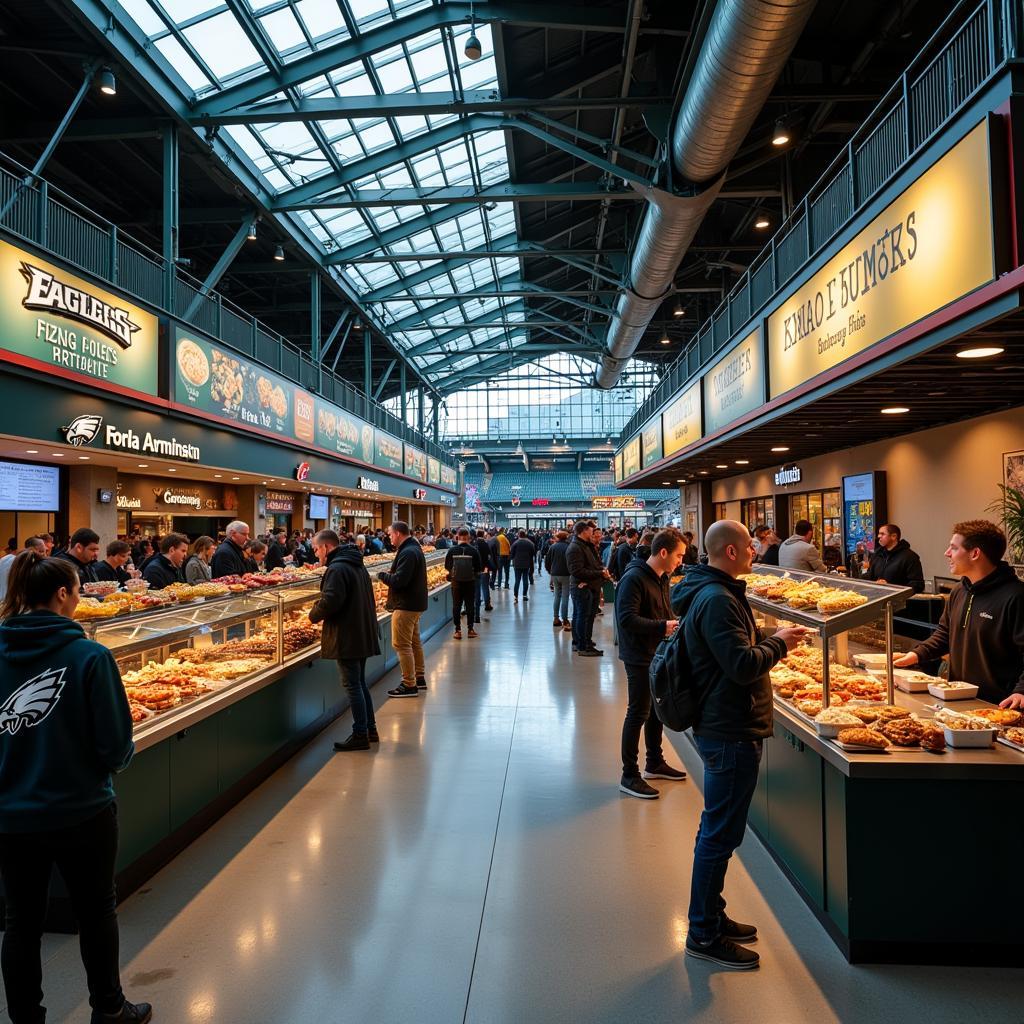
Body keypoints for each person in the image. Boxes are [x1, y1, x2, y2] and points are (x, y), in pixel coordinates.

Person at [0, 551, 151, 1023]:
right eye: (79, 590)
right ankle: (108, 1009)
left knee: (19, 922)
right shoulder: (89, 655)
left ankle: (25, 1018)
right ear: (64, 594)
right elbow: (114, 744)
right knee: (96, 910)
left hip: (9, 813)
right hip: (82, 809)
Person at [674, 521, 810, 970]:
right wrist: (779, 642)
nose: (756, 549)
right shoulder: (717, 600)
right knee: (718, 835)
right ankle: (703, 933)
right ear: (731, 553)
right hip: (729, 729)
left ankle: (711, 913)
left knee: (720, 832)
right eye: (749, 545)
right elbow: (740, 664)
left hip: (724, 724)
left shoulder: (713, 592)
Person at [895, 520, 1024, 707]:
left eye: (954, 548)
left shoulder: (1016, 596)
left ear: (975, 553)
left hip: (999, 706)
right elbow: (945, 634)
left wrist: (1021, 690)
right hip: (960, 699)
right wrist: (915, 655)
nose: (947, 553)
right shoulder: (959, 591)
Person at [615, 529, 688, 799]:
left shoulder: (662, 577)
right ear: (663, 552)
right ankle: (629, 774)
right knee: (638, 712)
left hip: (656, 652)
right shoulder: (634, 578)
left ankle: (654, 761)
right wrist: (663, 626)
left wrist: (671, 621)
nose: (681, 560)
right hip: (638, 656)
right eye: (678, 555)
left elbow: (664, 610)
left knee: (656, 710)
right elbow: (627, 619)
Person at [308, 530, 382, 752]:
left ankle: (360, 734)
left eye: (316, 549)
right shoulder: (356, 563)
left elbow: (331, 600)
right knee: (359, 683)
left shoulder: (337, 568)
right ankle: (370, 729)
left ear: (327, 547)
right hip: (361, 631)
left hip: (347, 635)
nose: (315, 553)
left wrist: (312, 615)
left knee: (352, 686)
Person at [377, 522, 428, 698]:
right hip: (415, 603)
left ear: (398, 533)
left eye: (390, 534)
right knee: (414, 642)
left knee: (401, 645)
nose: (389, 537)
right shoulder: (414, 548)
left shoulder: (407, 552)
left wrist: (382, 575)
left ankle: (409, 684)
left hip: (406, 605)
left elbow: (400, 580)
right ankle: (419, 677)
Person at [567, 520, 610, 656]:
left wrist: (602, 571)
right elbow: (577, 571)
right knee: (583, 616)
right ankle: (583, 646)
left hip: (590, 586)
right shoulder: (575, 548)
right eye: (591, 531)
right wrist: (600, 573)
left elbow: (594, 564)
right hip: (583, 587)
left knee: (584, 616)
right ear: (584, 531)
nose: (594, 534)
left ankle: (583, 641)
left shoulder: (586, 546)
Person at [866, 524, 925, 593]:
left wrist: (891, 587)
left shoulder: (910, 556)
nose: (879, 536)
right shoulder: (877, 554)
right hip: (876, 597)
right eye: (879, 534)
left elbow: (917, 585)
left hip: (899, 601)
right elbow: (870, 575)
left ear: (893, 536)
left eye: (882, 534)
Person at [445, 527, 482, 639]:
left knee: (456, 606)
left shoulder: (452, 550)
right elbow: (478, 568)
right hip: (470, 582)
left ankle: (457, 630)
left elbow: (447, 566)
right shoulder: (474, 550)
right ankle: (470, 629)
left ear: (458, 537)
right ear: (468, 538)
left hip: (456, 583)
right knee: (470, 605)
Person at [0, 538, 45, 602]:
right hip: (12, 604)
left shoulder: (4, 559)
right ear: (33, 549)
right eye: (42, 551)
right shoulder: (28, 563)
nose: (44, 555)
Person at [545, 529, 572, 630]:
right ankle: (565, 619)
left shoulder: (553, 547)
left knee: (557, 596)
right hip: (566, 574)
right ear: (566, 537)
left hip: (555, 574)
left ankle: (556, 618)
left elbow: (547, 561)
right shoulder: (569, 547)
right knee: (565, 596)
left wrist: (550, 572)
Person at [473, 529, 495, 620]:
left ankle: (475, 605)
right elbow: (489, 557)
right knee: (485, 586)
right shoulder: (486, 544)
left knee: (476, 588)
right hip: (485, 568)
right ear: (483, 535)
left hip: (475, 570)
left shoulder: (473, 544)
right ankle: (487, 604)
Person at [510, 529, 536, 605]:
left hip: (517, 564)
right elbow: (533, 554)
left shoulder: (515, 543)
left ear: (518, 535)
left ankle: (516, 596)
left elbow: (512, 555)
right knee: (525, 580)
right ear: (525, 535)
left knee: (517, 580)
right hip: (526, 564)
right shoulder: (530, 543)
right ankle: (524, 595)